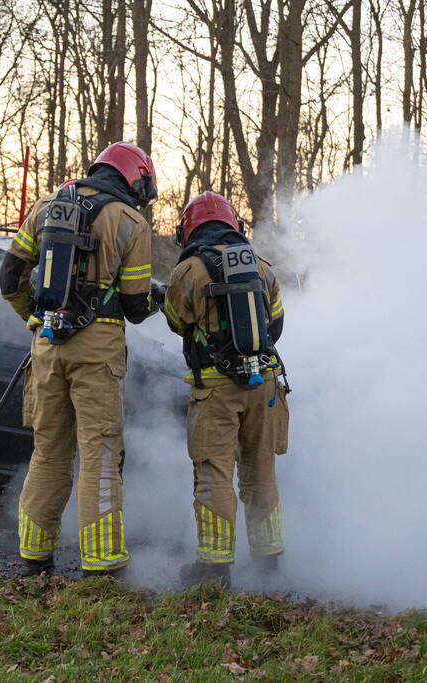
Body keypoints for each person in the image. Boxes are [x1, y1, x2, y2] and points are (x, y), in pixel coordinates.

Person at [0, 142, 162, 578]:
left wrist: (35, 317)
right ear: (134, 177)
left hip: (46, 349)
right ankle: (102, 562)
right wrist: (156, 300)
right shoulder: (129, 221)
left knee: (48, 453)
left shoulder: (44, 207)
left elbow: (9, 276)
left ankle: (34, 558)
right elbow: (134, 305)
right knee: (100, 454)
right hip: (99, 350)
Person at [163, 191, 290, 588]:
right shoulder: (263, 267)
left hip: (216, 386)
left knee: (214, 471)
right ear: (234, 224)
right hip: (264, 381)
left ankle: (214, 569)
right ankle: (269, 561)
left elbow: (174, 321)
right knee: (260, 471)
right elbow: (277, 326)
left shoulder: (190, 271)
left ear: (191, 229)